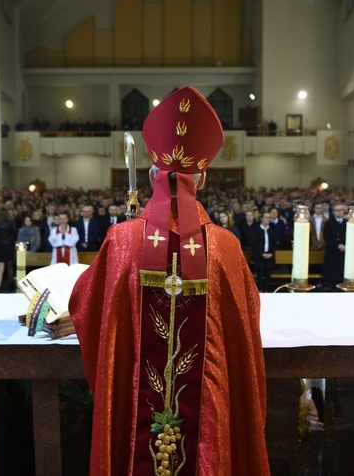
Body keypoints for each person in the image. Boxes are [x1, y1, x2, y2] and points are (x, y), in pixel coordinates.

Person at [69, 87, 269, 474]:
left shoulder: (122, 239)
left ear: (150, 175)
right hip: (207, 406)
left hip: (136, 413)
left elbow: (86, 307)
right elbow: (246, 323)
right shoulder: (226, 247)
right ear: (204, 178)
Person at [323, 203, 348, 288]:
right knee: (333, 274)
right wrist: (337, 245)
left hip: (345, 251)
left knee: (343, 272)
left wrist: (346, 246)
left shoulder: (348, 223)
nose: (339, 212)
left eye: (341, 210)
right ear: (333, 212)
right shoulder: (329, 223)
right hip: (333, 251)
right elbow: (327, 237)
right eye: (337, 210)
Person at [252, 211, 277, 292]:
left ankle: (267, 290)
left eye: (269, 217)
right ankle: (260, 290)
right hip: (260, 256)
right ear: (262, 219)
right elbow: (255, 244)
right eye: (266, 217)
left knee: (268, 275)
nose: (268, 219)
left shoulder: (272, 229)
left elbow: (274, 243)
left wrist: (271, 253)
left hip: (270, 255)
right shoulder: (256, 229)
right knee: (260, 274)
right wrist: (261, 253)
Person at [0, 210, 16, 291]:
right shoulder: (11, 224)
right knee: (9, 267)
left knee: (0, 268)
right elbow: (13, 236)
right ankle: (11, 284)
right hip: (9, 247)